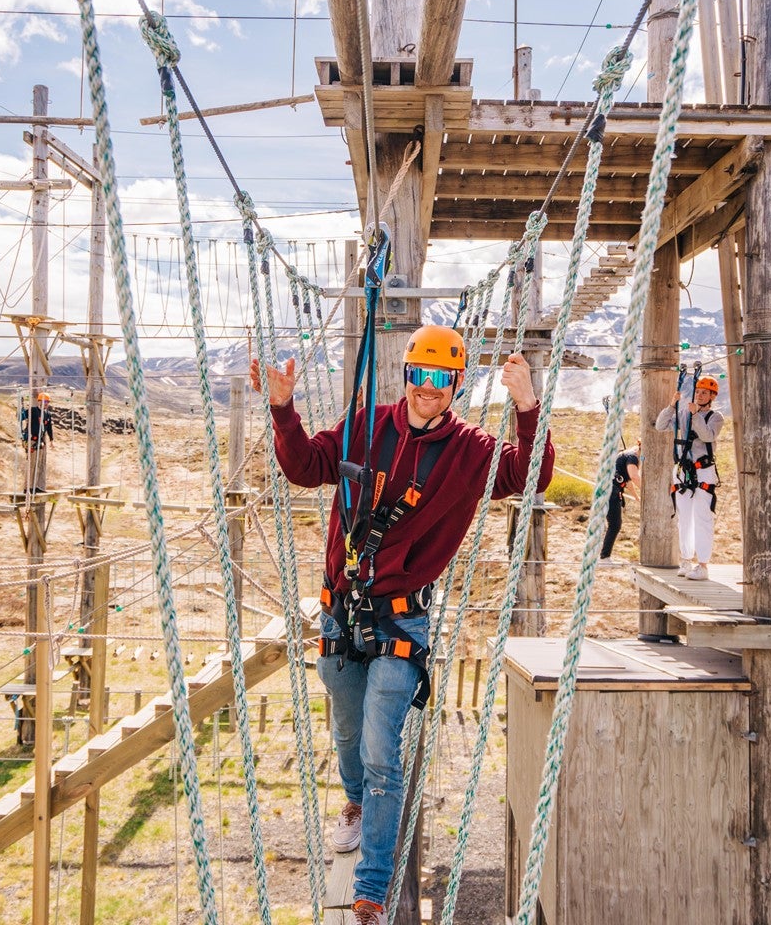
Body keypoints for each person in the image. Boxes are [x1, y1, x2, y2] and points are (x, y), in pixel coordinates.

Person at [251, 323, 553, 925]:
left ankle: (371, 891)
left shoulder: (469, 452)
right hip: (341, 608)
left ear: (457, 385)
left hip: (400, 620)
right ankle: (358, 804)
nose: (428, 389)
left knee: (380, 747)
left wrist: (526, 406)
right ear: (406, 375)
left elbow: (527, 476)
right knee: (346, 731)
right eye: (420, 374)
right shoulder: (366, 426)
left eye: (442, 379)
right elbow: (307, 467)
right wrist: (284, 411)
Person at [654, 374, 724, 580]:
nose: (700, 395)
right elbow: (660, 425)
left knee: (702, 517)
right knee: (684, 518)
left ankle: (702, 564)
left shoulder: (715, 417)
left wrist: (695, 416)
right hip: (683, 471)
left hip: (703, 470)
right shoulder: (684, 413)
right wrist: (671, 406)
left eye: (704, 393)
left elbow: (707, 436)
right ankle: (686, 559)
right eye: (698, 392)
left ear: (712, 396)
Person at [600, 441, 641, 562]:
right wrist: (647, 491)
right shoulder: (633, 457)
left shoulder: (625, 455)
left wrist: (637, 497)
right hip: (612, 490)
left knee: (613, 524)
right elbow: (634, 477)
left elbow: (628, 482)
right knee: (615, 525)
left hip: (610, 489)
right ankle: (604, 557)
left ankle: (604, 556)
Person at [20, 392, 54, 492]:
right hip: (33, 440)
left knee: (39, 464)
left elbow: (49, 428)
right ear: (39, 401)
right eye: (44, 401)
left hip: (41, 441)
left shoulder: (47, 414)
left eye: (47, 402)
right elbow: (21, 417)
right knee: (31, 464)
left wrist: (51, 440)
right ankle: (27, 487)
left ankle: (35, 486)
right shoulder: (33, 411)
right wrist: (21, 410)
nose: (46, 403)